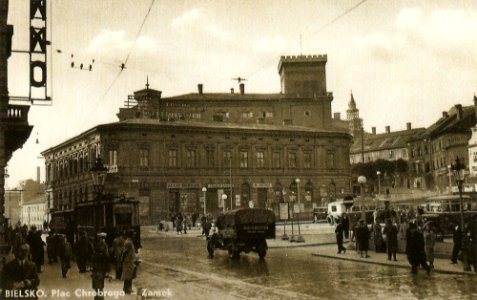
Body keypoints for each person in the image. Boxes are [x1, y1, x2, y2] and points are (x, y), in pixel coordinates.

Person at [92, 232, 109, 300]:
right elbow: (107, 255)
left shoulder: (97, 244)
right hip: (101, 266)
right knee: (100, 282)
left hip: (96, 266)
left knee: (96, 282)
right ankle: (100, 297)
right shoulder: (104, 245)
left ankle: (97, 296)